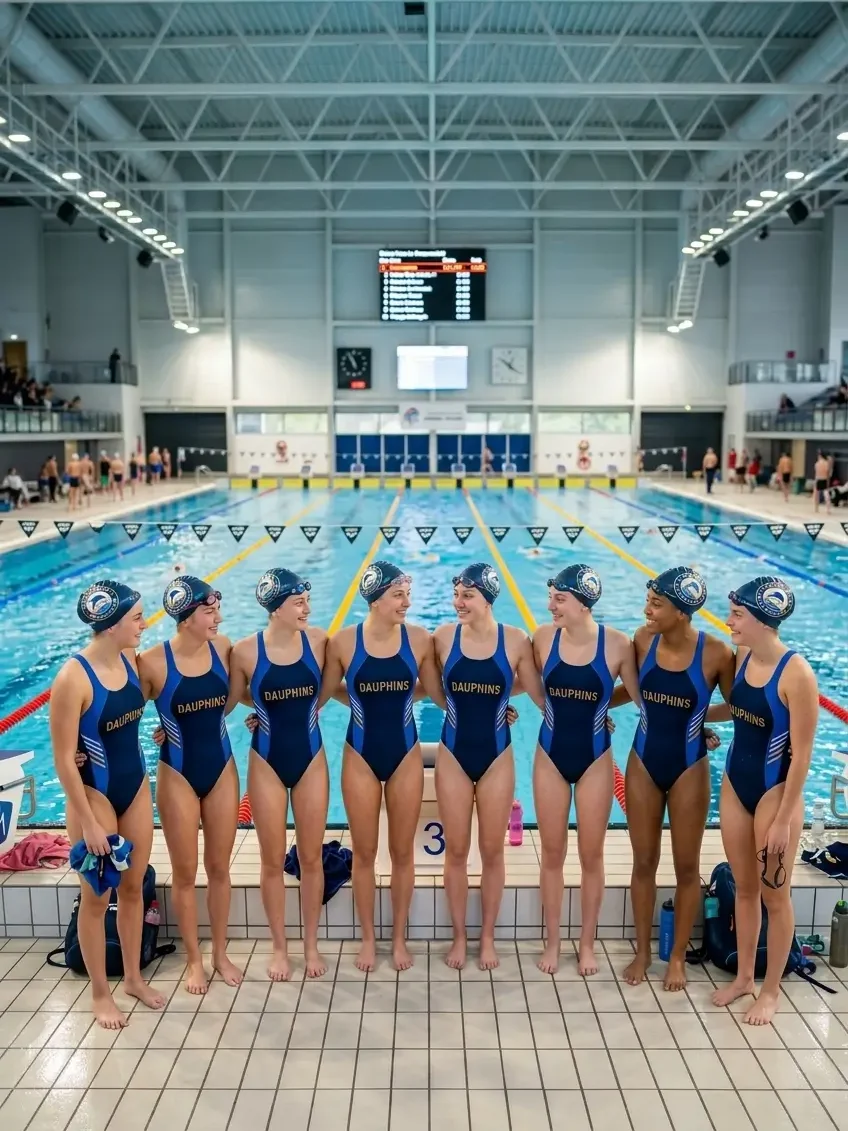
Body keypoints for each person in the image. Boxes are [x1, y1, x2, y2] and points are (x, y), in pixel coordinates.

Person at [610, 567, 733, 991]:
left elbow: (737, 706)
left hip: (689, 766)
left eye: (656, 604)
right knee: (643, 862)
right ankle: (643, 952)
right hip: (644, 761)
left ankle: (677, 955)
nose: (647, 610)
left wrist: (698, 718)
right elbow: (629, 691)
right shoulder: (642, 640)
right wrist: (593, 708)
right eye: (649, 601)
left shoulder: (717, 653)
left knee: (686, 866)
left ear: (682, 612)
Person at [49, 581, 165, 1029]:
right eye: (136, 617)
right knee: (96, 899)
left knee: (133, 888)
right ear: (112, 624)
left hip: (134, 786)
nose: (144, 624)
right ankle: (100, 993)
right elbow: (64, 760)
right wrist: (88, 823)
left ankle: (133, 978)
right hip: (93, 795)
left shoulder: (131, 660)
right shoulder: (72, 678)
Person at [707, 578, 817, 1025]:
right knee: (745, 888)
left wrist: (784, 820)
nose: (729, 621)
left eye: (737, 615)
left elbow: (802, 756)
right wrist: (688, 717)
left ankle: (770, 991)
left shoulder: (797, 674)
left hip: (775, 793)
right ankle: (744, 979)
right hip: (736, 783)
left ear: (762, 619)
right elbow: (737, 711)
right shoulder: (743, 655)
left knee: (775, 896)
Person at [320, 562, 439, 972]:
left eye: (407, 594)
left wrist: (495, 710)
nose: (407, 602)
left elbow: (439, 694)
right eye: (398, 595)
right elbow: (321, 695)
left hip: (405, 753)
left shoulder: (419, 640)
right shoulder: (343, 642)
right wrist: (264, 715)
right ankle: (369, 938)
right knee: (366, 852)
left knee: (403, 852)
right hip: (360, 754)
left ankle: (399, 938)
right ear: (374, 599)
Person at [532, 565, 641, 976]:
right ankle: (553, 942)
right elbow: (522, 680)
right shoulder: (543, 638)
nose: (551, 606)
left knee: (591, 854)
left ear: (583, 602)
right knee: (552, 853)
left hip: (596, 758)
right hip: (550, 754)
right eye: (551, 598)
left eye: (559, 599)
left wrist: (598, 708)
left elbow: (639, 696)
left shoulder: (617, 644)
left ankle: (587, 943)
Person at [140, 577, 242, 994]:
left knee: (220, 868)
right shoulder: (152, 663)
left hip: (222, 768)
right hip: (177, 773)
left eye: (217, 609)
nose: (218, 618)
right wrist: (80, 751)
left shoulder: (223, 648)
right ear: (185, 618)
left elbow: (234, 698)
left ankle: (220, 953)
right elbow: (120, 713)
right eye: (209, 612)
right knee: (184, 873)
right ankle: (194, 961)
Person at [433, 563, 536, 972]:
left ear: (488, 598)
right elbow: (425, 688)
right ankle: (460, 936)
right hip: (453, 754)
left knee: (492, 851)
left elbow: (536, 688)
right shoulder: (443, 637)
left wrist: (499, 701)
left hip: (497, 756)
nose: (458, 603)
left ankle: (487, 936)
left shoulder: (515, 640)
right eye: (456, 595)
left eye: (467, 596)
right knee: (457, 851)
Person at [228, 569, 330, 981]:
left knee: (311, 857)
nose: (307, 608)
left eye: (307, 600)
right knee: (271, 860)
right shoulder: (245, 652)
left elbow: (342, 686)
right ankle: (279, 948)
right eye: (298, 602)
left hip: (311, 757)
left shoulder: (319, 642)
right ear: (275, 608)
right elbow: (230, 697)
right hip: (266, 761)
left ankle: (311, 945)